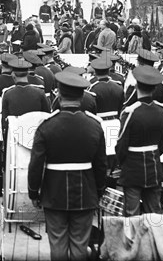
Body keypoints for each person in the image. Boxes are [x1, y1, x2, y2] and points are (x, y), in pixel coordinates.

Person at [28, 72, 107, 260]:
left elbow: (36, 164)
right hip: (85, 192)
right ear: (81, 98)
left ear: (58, 96)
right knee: (80, 243)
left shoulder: (46, 126)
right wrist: (99, 190)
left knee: (57, 242)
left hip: (54, 193)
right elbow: (101, 164)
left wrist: (33, 192)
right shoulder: (94, 126)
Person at [116, 66, 163, 216]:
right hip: (154, 164)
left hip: (133, 168)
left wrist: (122, 163)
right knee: (155, 213)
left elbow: (121, 144)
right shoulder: (162, 110)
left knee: (132, 214)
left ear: (137, 86)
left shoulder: (130, 112)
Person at [1, 58, 51, 138]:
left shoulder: (8, 94)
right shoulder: (39, 93)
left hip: (15, 137)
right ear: (27, 74)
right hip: (36, 136)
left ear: (13, 74)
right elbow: (47, 116)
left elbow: (4, 121)